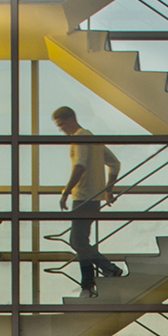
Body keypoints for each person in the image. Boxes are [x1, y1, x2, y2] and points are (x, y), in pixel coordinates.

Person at [51, 104, 127, 291]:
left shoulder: (79, 139)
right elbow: (114, 164)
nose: (61, 129)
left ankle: (95, 278)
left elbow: (80, 166)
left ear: (71, 119)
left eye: (61, 125)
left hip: (82, 196)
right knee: (79, 241)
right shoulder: (94, 139)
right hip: (94, 198)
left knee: (78, 241)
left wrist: (66, 191)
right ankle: (104, 272)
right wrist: (108, 190)